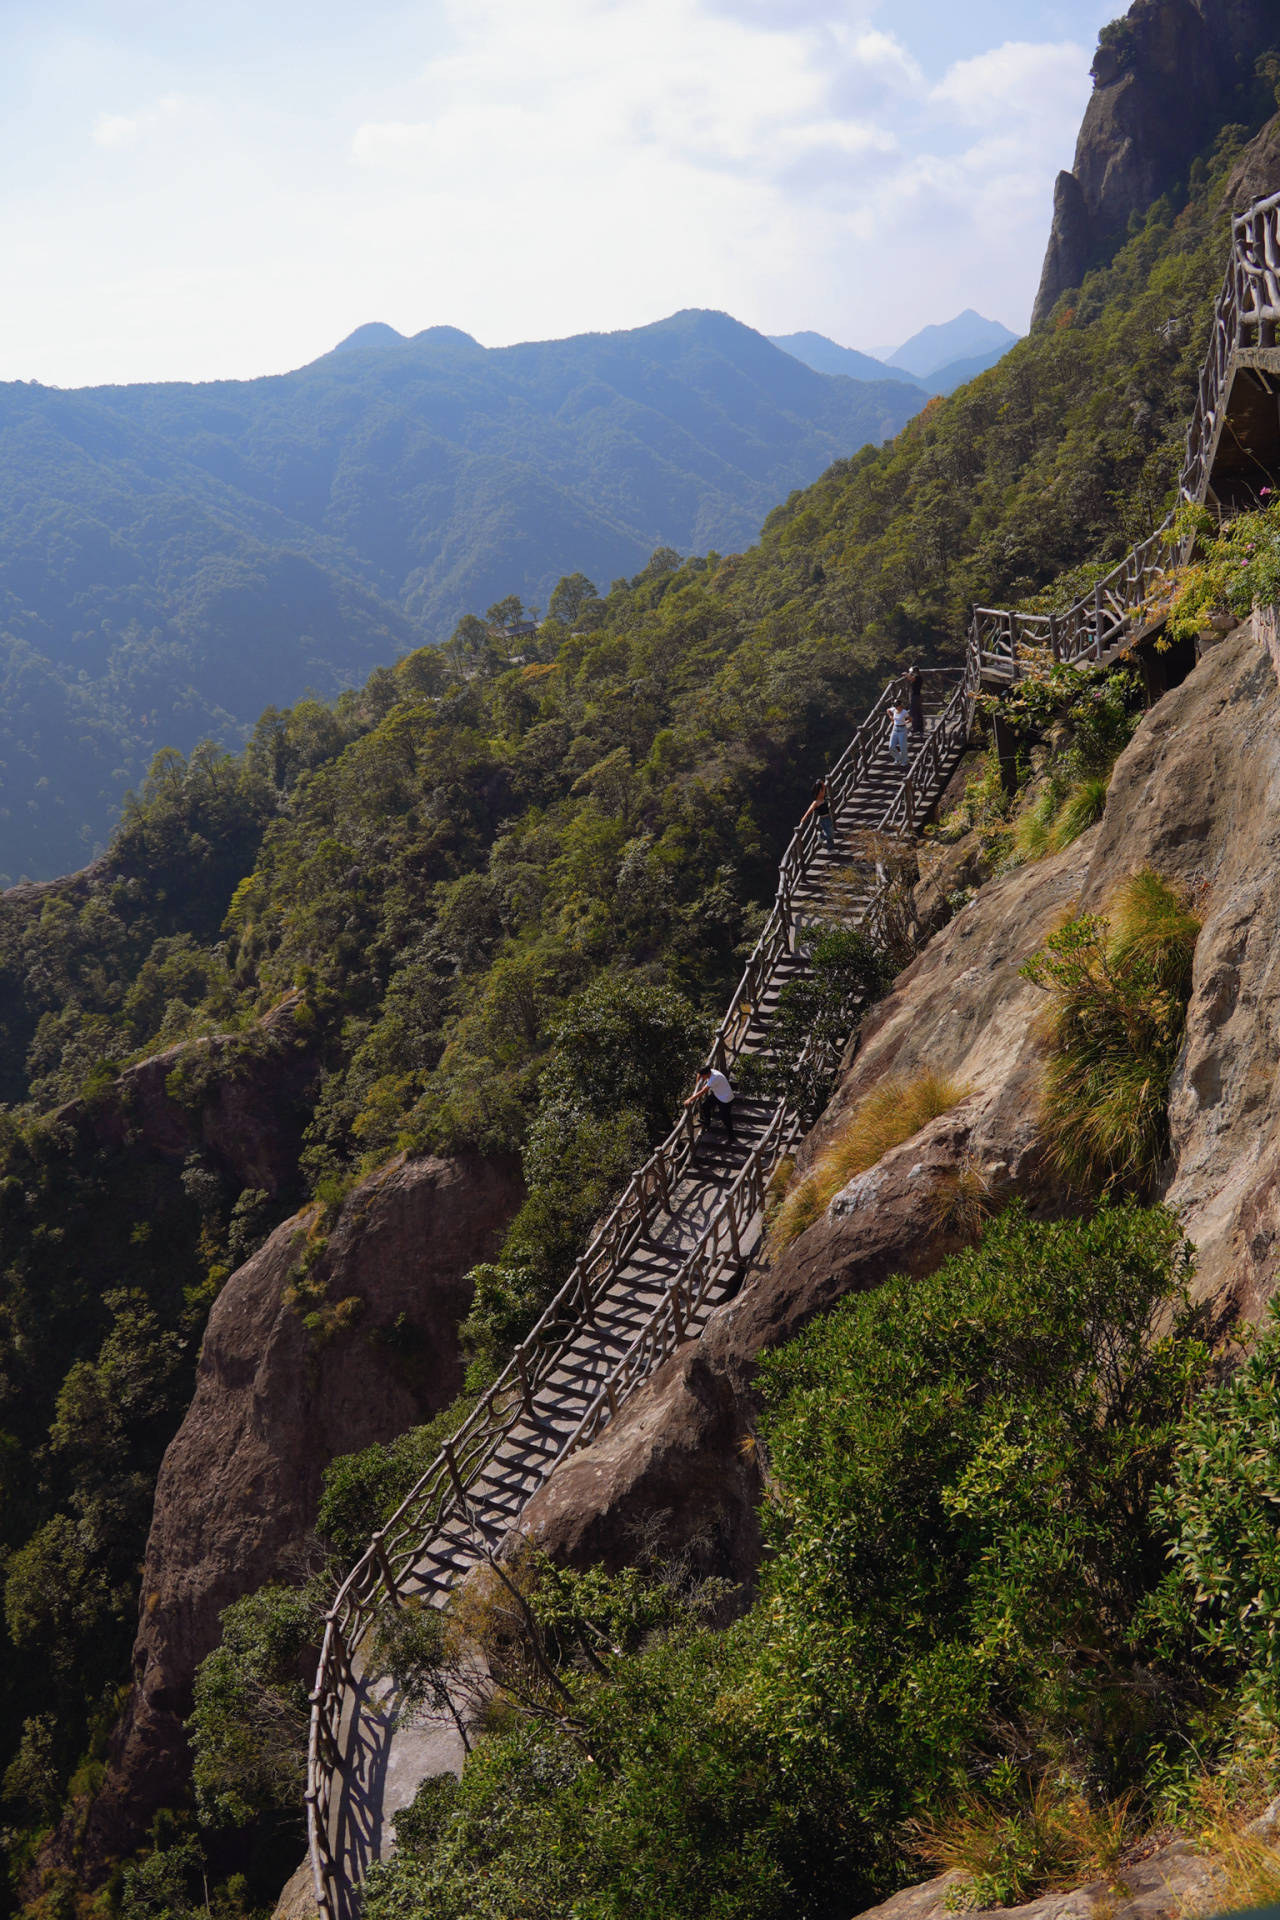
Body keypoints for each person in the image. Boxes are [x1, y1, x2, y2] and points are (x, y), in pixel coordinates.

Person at [685, 1061, 736, 1140]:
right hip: (718, 1094)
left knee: (725, 1118)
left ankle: (732, 1137)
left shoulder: (714, 1078)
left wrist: (690, 1099)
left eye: (703, 1077)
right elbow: (699, 1074)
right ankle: (707, 1122)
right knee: (705, 1106)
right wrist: (697, 1083)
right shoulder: (710, 1071)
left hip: (726, 1098)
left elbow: (703, 1091)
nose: (702, 1078)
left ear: (707, 1074)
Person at [800, 776, 835, 850]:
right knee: (830, 834)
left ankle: (830, 848)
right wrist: (804, 817)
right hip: (823, 819)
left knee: (830, 833)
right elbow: (810, 810)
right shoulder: (816, 802)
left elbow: (824, 786)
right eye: (820, 791)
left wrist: (820, 781)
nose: (822, 792)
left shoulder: (823, 799)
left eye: (822, 791)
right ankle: (821, 836)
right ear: (816, 792)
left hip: (828, 817)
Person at [888, 701, 911, 770]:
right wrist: (890, 716)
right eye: (895, 706)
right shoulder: (894, 710)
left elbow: (910, 719)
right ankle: (898, 758)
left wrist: (905, 722)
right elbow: (888, 710)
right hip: (895, 729)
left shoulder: (904, 712)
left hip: (902, 729)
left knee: (902, 746)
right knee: (891, 746)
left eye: (897, 706)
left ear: (900, 706)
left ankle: (905, 761)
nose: (896, 707)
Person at [906, 666, 925, 740]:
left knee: (913, 713)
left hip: (915, 697)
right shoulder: (919, 677)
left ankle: (915, 729)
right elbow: (911, 679)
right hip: (918, 696)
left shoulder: (916, 677)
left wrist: (907, 674)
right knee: (918, 712)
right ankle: (920, 729)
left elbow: (911, 678)